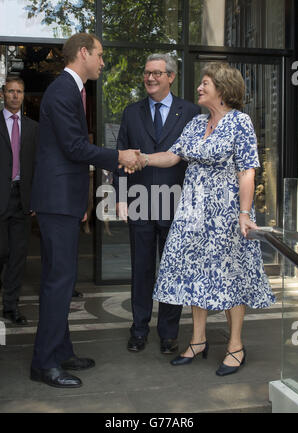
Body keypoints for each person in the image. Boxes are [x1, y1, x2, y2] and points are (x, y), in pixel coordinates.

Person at [138, 62, 276, 376]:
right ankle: (198, 340)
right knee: (192, 274)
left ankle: (236, 346)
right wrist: (142, 157)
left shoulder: (240, 122)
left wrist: (244, 213)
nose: (199, 88)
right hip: (192, 213)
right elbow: (173, 155)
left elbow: (247, 171)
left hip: (227, 215)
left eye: (205, 83)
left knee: (230, 278)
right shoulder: (195, 124)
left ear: (223, 89)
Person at [30, 33, 142, 389]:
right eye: (100, 55)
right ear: (83, 53)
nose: (103, 62)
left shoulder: (70, 90)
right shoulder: (63, 90)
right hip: (56, 202)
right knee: (57, 283)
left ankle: (61, 352)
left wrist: (81, 202)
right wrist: (118, 156)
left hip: (64, 201)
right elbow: (75, 147)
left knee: (62, 283)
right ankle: (44, 363)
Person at [114, 53, 200, 354]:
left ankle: (168, 333)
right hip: (139, 204)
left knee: (172, 271)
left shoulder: (189, 112)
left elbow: (195, 163)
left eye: (157, 74)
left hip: (176, 206)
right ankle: (138, 330)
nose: (150, 78)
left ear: (171, 77)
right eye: (147, 73)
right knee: (141, 271)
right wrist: (121, 197)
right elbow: (120, 157)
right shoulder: (131, 112)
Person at [0, 76, 38, 325]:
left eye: (20, 92)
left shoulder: (34, 128)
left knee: (18, 256)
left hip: (22, 200)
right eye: (11, 91)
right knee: (1, 252)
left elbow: (38, 165)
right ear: (3, 94)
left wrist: (36, 197)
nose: (15, 95)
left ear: (24, 95)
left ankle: (10, 306)